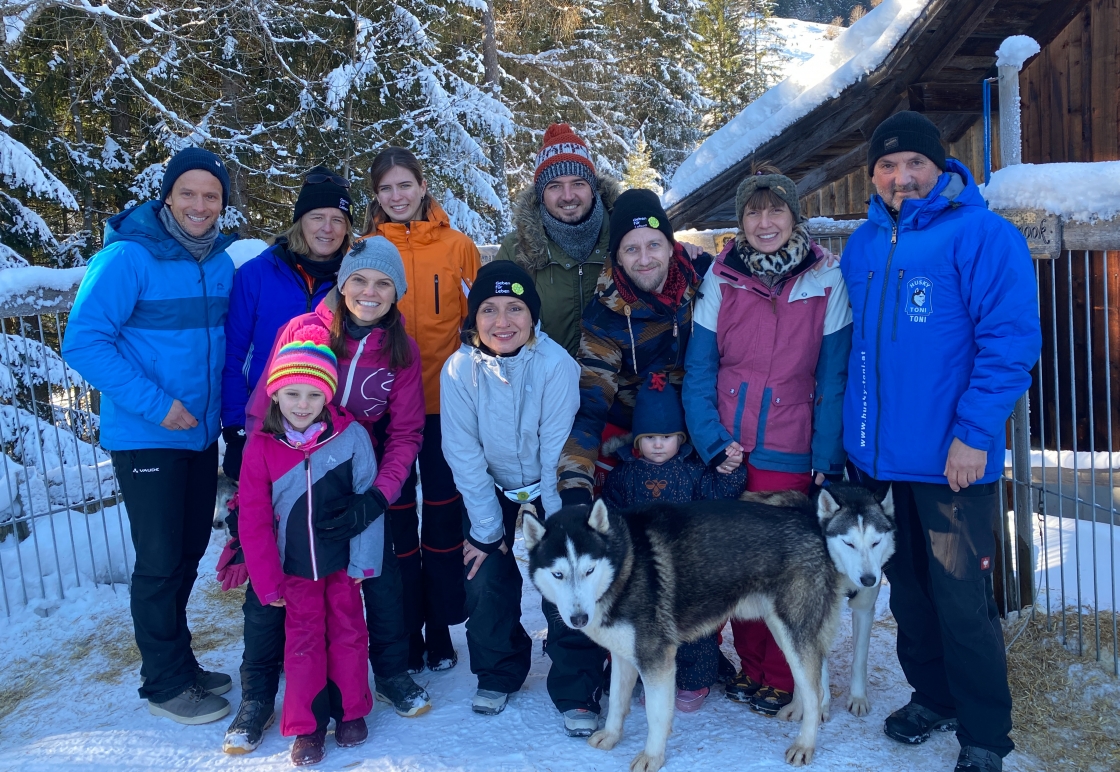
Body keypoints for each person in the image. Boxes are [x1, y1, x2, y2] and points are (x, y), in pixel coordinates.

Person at [840, 111, 1041, 772]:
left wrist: (974, 435)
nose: (901, 178)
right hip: (879, 461)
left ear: (939, 167)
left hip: (954, 458)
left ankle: (984, 733)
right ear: (874, 176)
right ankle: (934, 696)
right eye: (888, 167)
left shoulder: (984, 236)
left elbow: (1008, 346)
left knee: (961, 598)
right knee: (910, 591)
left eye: (913, 165)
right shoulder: (863, 244)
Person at [62, 147, 236, 724]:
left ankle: (178, 661)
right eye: (188, 192)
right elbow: (84, 341)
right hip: (147, 434)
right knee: (160, 559)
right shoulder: (127, 258)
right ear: (167, 196)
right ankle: (163, 683)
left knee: (187, 552)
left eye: (211, 196)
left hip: (197, 434)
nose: (199, 205)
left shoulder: (218, 262)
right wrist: (158, 406)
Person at [682, 164, 852, 716]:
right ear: (741, 220)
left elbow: (832, 378)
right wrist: (710, 440)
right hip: (730, 447)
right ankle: (752, 668)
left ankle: (783, 676)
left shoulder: (826, 278)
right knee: (734, 565)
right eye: (753, 211)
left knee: (782, 568)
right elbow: (700, 370)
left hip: (789, 443)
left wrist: (826, 456)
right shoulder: (722, 277)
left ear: (794, 215)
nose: (764, 221)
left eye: (775, 208)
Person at [247, 236, 431, 719]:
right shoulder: (304, 329)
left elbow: (408, 432)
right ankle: (257, 695)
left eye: (384, 284)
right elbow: (264, 406)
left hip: (360, 478)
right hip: (292, 473)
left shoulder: (401, 350)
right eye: (360, 280)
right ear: (343, 283)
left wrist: (377, 496)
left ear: (397, 292)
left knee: (380, 576)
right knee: (270, 581)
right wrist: (248, 492)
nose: (370, 292)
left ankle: (390, 672)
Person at [552, 188, 705, 736]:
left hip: (698, 423)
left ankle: (699, 652)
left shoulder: (704, 284)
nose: (645, 258)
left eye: (653, 244)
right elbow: (591, 406)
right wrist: (575, 487)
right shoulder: (606, 316)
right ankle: (602, 659)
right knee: (612, 541)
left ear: (670, 243)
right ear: (616, 257)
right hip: (631, 432)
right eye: (631, 249)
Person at [218, 166, 354, 753]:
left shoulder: (354, 279)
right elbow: (233, 353)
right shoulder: (258, 274)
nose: (327, 228)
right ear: (299, 221)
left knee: (318, 571)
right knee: (262, 560)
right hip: (264, 433)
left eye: (338, 219)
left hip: (327, 432)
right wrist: (236, 429)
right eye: (317, 217)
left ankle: (331, 695)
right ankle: (256, 693)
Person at [440, 261, 580, 716]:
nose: (502, 322)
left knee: (567, 576)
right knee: (484, 575)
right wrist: (486, 528)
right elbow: (464, 452)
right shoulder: (459, 369)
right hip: (492, 484)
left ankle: (577, 683)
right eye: (489, 309)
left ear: (533, 315)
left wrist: (559, 525)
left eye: (515, 308)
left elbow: (558, 449)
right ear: (473, 318)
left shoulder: (557, 365)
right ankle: (498, 669)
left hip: (547, 481)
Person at [361, 147, 480, 674]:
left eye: (404, 185)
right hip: (382, 411)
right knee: (395, 519)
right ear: (376, 196)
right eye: (386, 189)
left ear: (422, 185)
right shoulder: (364, 248)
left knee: (442, 515)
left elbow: (484, 319)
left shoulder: (457, 247)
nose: (397, 196)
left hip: (444, 405)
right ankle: (403, 627)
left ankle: (439, 627)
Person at [239, 325, 380, 766]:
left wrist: (363, 563)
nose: (303, 405)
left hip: (342, 566)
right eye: (293, 394)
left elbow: (367, 497)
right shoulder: (262, 447)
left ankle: (352, 711)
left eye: (314, 396)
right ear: (276, 395)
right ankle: (307, 727)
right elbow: (254, 519)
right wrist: (267, 582)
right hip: (294, 570)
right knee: (301, 645)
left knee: (350, 635)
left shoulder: (351, 437)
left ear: (328, 397)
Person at [601, 374, 746, 712]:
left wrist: (732, 470)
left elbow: (721, 495)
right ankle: (642, 676)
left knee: (694, 628)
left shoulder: (693, 471)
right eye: (650, 437)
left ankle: (695, 681)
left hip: (690, 567)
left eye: (667, 437)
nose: (658, 444)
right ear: (638, 440)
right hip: (643, 571)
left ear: (681, 438)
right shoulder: (625, 475)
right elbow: (609, 512)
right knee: (641, 628)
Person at [493, 123, 622, 357]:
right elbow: (496, 325)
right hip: (545, 387)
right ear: (541, 194)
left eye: (578, 183)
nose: (568, 196)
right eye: (555, 186)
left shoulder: (623, 239)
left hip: (616, 388)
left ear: (592, 188)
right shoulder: (517, 250)